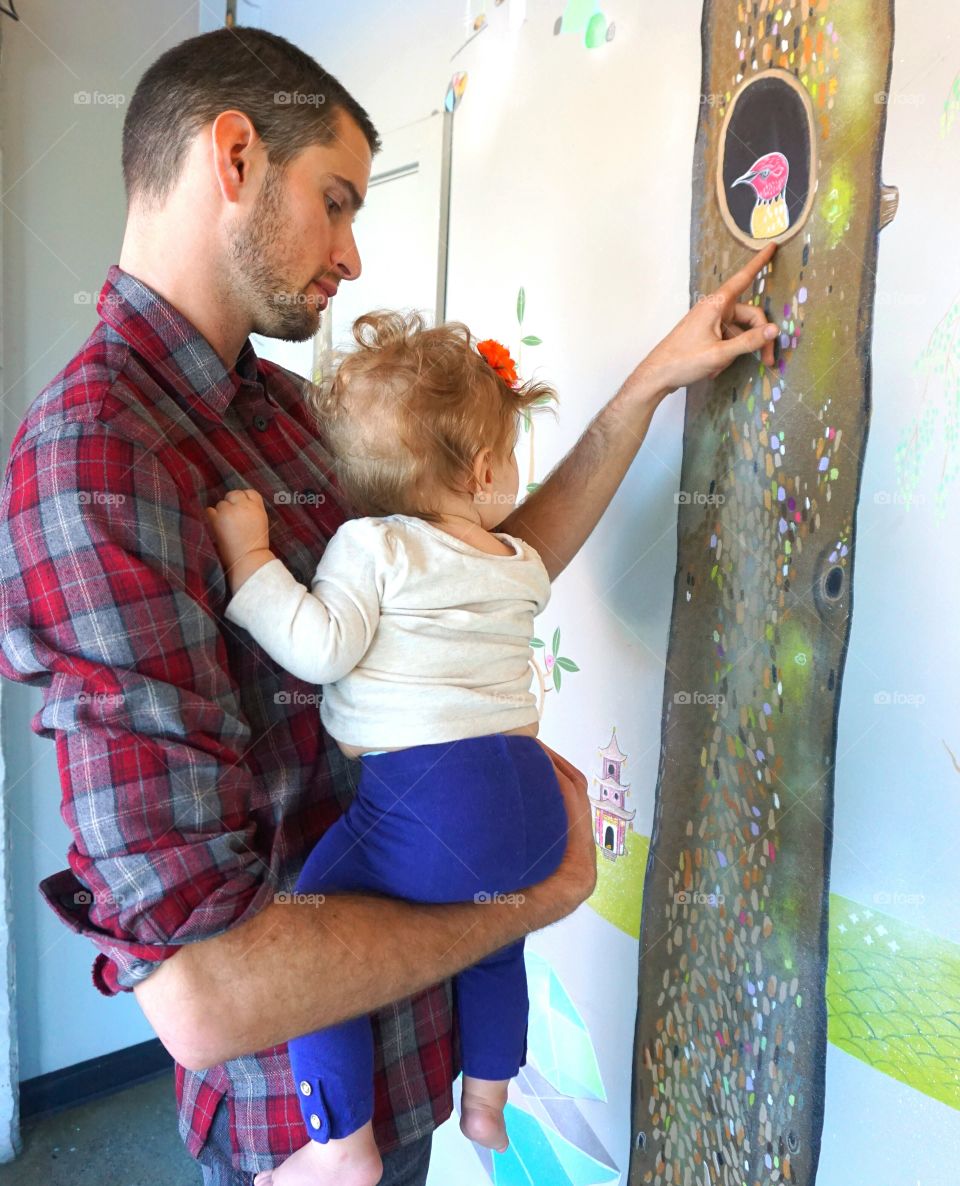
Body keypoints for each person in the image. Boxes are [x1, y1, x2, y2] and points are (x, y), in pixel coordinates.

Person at [0, 24, 777, 1186]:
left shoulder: (280, 407)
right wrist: (531, 895)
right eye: (338, 200)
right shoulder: (96, 458)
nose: (353, 255)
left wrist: (650, 381)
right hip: (303, 1117)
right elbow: (203, 996)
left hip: (418, 1052)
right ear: (234, 157)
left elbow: (481, 561)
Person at [206, 312, 572, 1186]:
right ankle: (487, 1096)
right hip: (529, 802)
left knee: (308, 936)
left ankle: (340, 1143)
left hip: (426, 799)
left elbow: (320, 646)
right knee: (491, 931)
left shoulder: (370, 546)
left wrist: (253, 557)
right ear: (483, 472)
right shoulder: (519, 560)